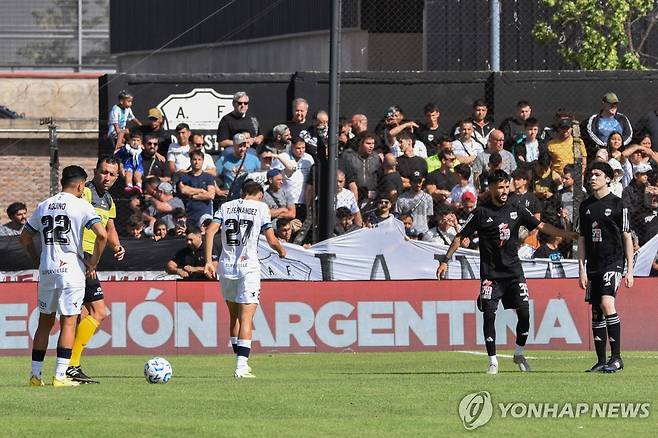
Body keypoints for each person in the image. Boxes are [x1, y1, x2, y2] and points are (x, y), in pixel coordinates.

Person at [437, 169, 578, 374]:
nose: (504, 191)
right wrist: (445, 260)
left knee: (524, 314)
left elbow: (542, 225)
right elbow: (459, 236)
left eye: (506, 186)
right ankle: (493, 361)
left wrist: (569, 235)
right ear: (491, 188)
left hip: (514, 273)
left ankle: (519, 353)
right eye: (500, 187)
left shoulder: (517, 208)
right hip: (491, 275)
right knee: (489, 315)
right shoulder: (480, 213)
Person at [21, 165, 107, 387]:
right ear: (80, 185)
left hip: (47, 269)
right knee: (68, 322)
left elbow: (24, 238)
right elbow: (102, 235)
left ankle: (35, 376)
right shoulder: (82, 205)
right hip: (71, 270)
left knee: (44, 323)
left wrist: (37, 259)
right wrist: (93, 262)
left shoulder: (45, 205)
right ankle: (60, 376)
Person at [203, 180, 286, 378]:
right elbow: (271, 239)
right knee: (247, 317)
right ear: (258, 194)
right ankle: (241, 367)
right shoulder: (261, 207)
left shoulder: (226, 206)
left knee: (234, 317)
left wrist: (208, 261)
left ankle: (240, 361)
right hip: (248, 268)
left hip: (226, 267)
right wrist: (282, 251)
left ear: (243, 192)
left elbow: (210, 231)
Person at [66, 157, 126, 384]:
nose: (107, 177)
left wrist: (117, 246)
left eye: (112, 174)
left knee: (83, 314)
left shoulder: (109, 200)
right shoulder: (86, 193)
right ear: (95, 171)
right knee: (98, 311)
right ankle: (71, 365)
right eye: (103, 172)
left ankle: (69, 364)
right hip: (82, 259)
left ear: (117, 176)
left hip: (90, 261)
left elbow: (109, 227)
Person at [578, 162, 634, 373]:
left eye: (597, 175)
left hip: (613, 262)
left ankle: (617, 358)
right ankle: (601, 361)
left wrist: (629, 269)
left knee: (606, 303)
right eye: (591, 174)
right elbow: (582, 239)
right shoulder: (585, 206)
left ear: (608, 179)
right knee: (595, 312)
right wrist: (581, 269)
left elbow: (627, 237)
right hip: (592, 265)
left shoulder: (619, 205)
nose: (592, 178)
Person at [178, 149, 216, 229]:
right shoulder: (185, 177)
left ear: (203, 161)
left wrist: (193, 196)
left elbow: (211, 195)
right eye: (194, 159)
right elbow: (183, 190)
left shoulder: (208, 177)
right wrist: (201, 191)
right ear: (191, 161)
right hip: (189, 215)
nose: (197, 162)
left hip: (205, 216)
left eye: (199, 160)